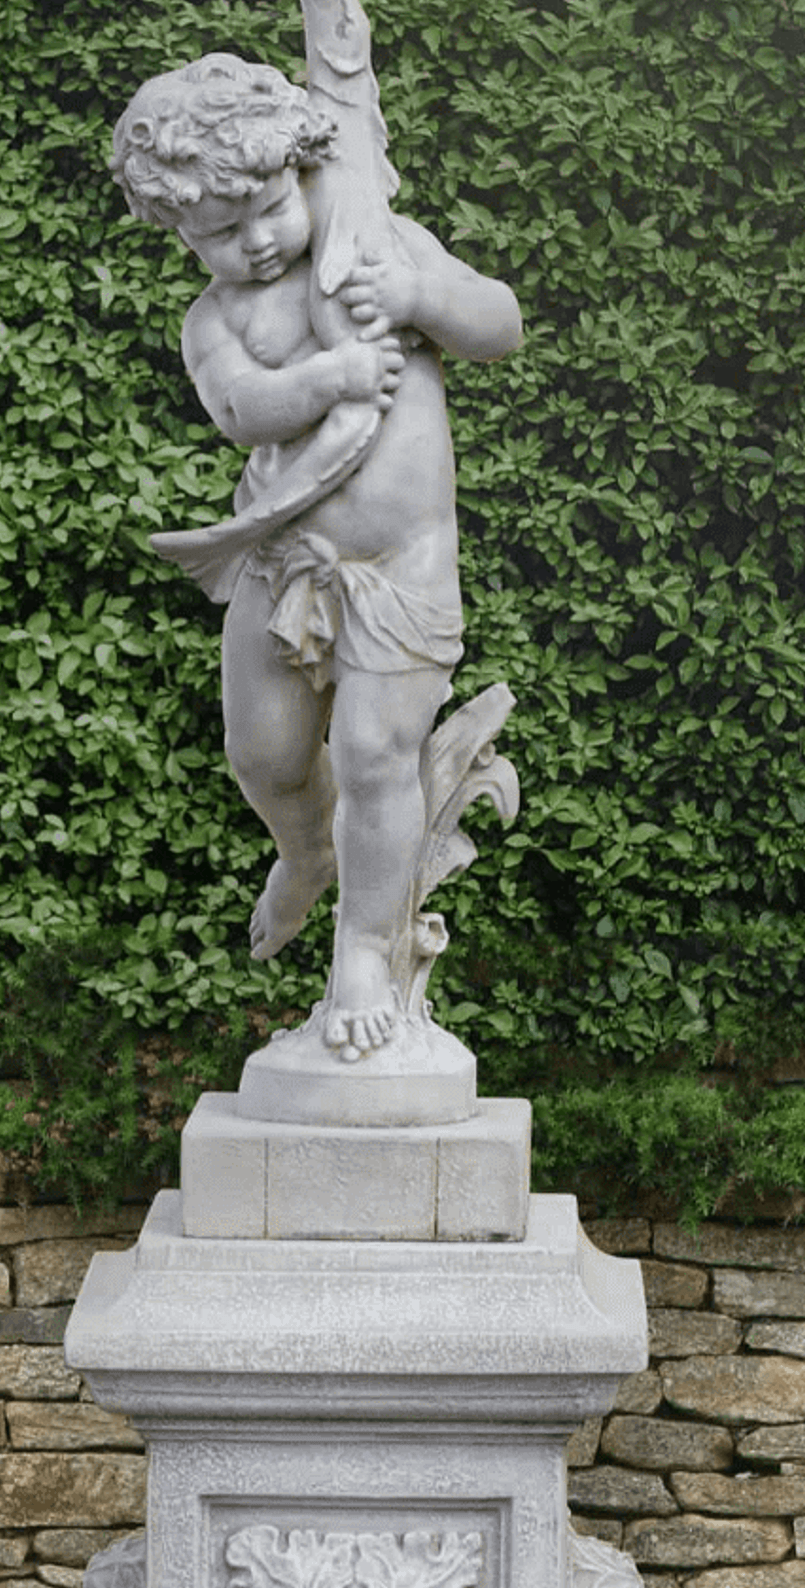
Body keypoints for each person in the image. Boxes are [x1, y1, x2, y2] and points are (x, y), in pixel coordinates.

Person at [112, 52, 522, 1058]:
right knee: (262, 753)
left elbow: (499, 323)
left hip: (400, 571)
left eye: (267, 209)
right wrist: (337, 372)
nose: (253, 243)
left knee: (373, 758)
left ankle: (362, 955)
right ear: (181, 234)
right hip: (280, 560)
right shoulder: (215, 319)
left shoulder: (381, 251)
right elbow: (240, 408)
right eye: (219, 232)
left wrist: (422, 294)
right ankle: (302, 851)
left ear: (303, 166)